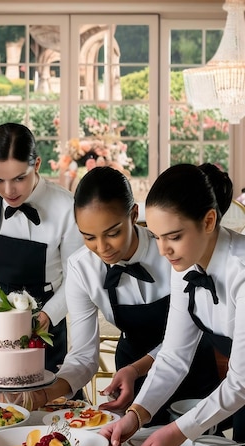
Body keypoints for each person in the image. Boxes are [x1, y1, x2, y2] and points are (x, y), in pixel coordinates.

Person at [17, 166, 219, 416]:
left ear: (134, 214)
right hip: (130, 382)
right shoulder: (82, 268)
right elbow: (83, 355)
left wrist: (137, 369)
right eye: (88, 237)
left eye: (113, 233)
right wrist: (45, 394)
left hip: (193, 371)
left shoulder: (173, 252)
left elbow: (182, 342)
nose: (103, 248)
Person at [101, 162, 245, 446]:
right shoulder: (185, 264)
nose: (164, 250)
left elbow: (240, 382)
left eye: (174, 236)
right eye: (156, 237)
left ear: (208, 221)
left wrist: (176, 433)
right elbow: (174, 355)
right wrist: (136, 415)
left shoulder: (242, 271)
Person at [0, 122, 83, 374]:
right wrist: (0, 313)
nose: (8, 190)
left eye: (20, 178)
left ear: (37, 165)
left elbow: (75, 278)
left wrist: (47, 317)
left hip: (47, 320)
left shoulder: (66, 207)